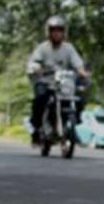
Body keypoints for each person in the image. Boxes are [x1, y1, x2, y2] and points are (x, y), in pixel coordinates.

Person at [27, 16, 89, 145]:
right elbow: (34, 61)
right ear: (48, 32)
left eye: (59, 30)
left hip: (64, 83)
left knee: (79, 98)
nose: (57, 33)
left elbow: (78, 63)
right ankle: (37, 129)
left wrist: (82, 72)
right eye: (53, 30)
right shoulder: (42, 48)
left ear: (64, 32)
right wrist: (37, 67)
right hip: (45, 82)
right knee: (40, 100)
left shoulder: (69, 48)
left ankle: (72, 127)